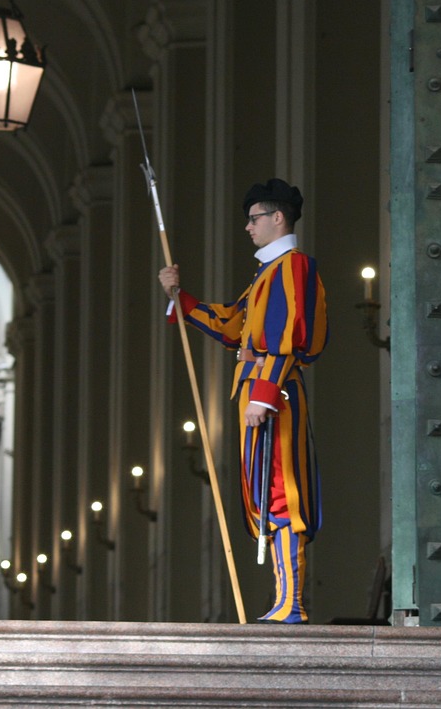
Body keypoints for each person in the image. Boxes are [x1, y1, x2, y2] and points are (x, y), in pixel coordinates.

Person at [159, 178, 328, 624]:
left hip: (273, 396)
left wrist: (265, 394)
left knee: (281, 494)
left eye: (254, 219)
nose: (248, 228)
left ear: (277, 218)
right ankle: (282, 599)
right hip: (257, 395)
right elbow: (233, 326)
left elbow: (286, 338)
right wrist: (181, 297)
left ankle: (292, 603)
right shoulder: (266, 274)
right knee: (263, 495)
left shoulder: (293, 267)